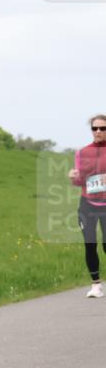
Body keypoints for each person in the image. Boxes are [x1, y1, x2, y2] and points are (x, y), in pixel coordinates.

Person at [68, 114, 106, 298]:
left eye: (102, 128)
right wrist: (73, 177)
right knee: (90, 244)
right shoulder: (82, 152)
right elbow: (79, 182)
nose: (98, 131)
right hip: (87, 204)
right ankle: (96, 285)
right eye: (95, 128)